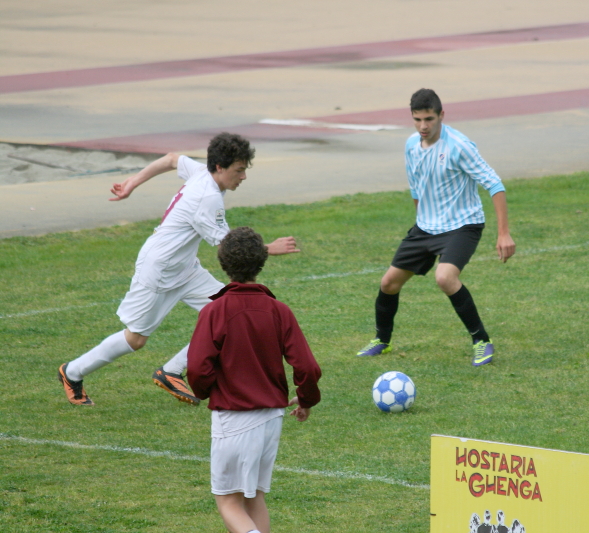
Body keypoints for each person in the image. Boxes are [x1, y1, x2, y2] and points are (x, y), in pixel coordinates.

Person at [58, 132, 299, 406]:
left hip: (186, 268)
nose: (243, 176)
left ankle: (171, 371)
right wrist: (270, 248)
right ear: (220, 167)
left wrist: (133, 182)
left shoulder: (202, 172)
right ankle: (72, 372)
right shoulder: (207, 198)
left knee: (232, 315)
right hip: (159, 270)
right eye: (239, 170)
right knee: (136, 339)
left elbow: (172, 159)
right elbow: (231, 248)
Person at [356, 88, 515, 366]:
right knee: (389, 283)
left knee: (445, 278)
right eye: (417, 119)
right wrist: (421, 225)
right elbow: (416, 186)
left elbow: (494, 184)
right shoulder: (411, 145)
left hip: (463, 225)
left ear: (442, 115)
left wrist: (504, 234)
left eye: (429, 119)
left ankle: (482, 341)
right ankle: (382, 340)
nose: (423, 126)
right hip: (426, 227)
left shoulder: (459, 146)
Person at [187, 226, 321, 533]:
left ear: (223, 262)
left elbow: (196, 368)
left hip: (234, 418)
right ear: (262, 261)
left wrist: (206, 391)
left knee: (228, 501)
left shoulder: (214, 311)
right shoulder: (279, 310)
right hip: (271, 419)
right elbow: (307, 367)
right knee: (254, 497)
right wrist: (306, 399)